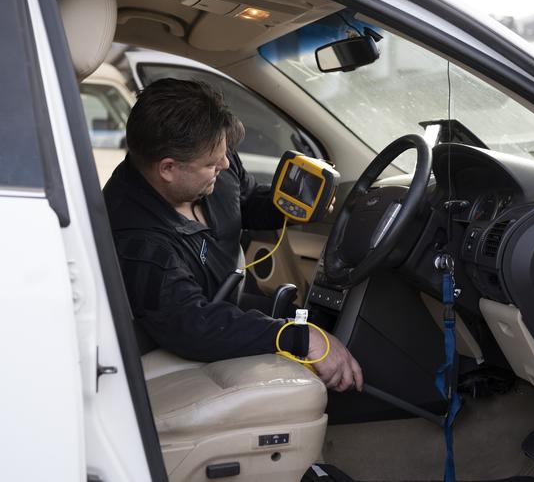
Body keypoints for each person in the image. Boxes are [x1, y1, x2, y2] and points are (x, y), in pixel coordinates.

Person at [103, 78, 363, 392]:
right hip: (193, 332)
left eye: (226, 155)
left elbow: (246, 200)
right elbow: (192, 325)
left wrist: (293, 207)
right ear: (168, 168)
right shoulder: (137, 241)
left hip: (229, 304)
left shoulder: (213, 158)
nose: (225, 164)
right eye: (213, 164)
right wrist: (299, 336)